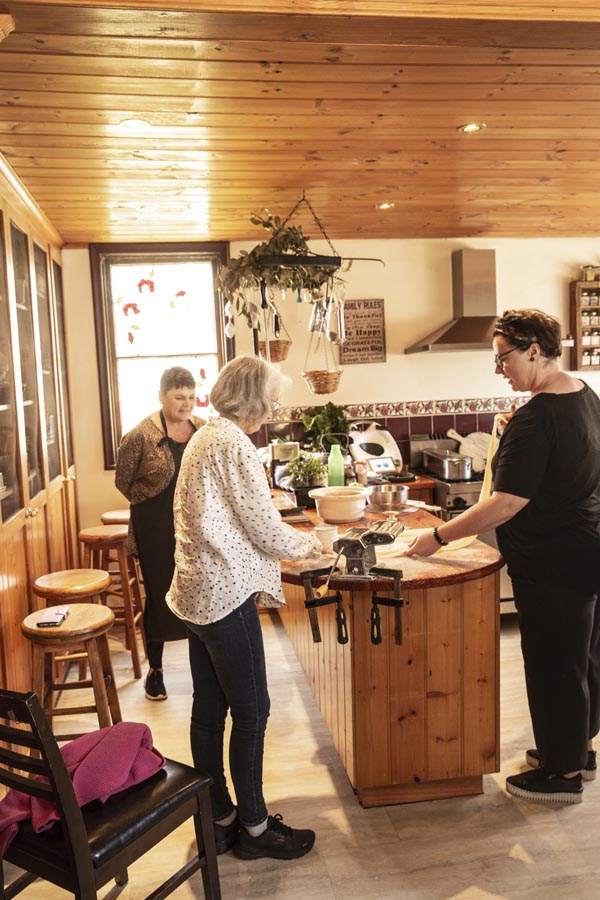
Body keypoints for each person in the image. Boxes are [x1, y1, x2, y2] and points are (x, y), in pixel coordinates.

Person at [406, 308, 600, 805]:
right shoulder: (584, 395)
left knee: (554, 666)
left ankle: (562, 775)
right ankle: (577, 751)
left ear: (534, 350)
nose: (499, 370)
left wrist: (438, 537)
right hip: (585, 551)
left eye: (503, 358)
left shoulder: (536, 418)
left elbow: (506, 503)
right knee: (581, 660)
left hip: (552, 563)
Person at [166, 355, 322, 859]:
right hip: (224, 594)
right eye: (271, 400)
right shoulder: (234, 443)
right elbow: (264, 528)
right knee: (253, 711)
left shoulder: (204, 436)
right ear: (252, 398)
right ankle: (255, 829)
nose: (273, 410)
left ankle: (219, 818)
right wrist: (313, 545)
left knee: (209, 712)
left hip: (195, 592)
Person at [115, 366, 205, 701]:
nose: (186, 403)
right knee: (159, 595)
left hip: (195, 525)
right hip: (153, 526)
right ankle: (155, 670)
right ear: (161, 397)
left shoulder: (203, 430)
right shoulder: (139, 436)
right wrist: (151, 506)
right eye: (179, 397)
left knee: (199, 592)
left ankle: (204, 672)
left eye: (191, 397)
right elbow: (123, 481)